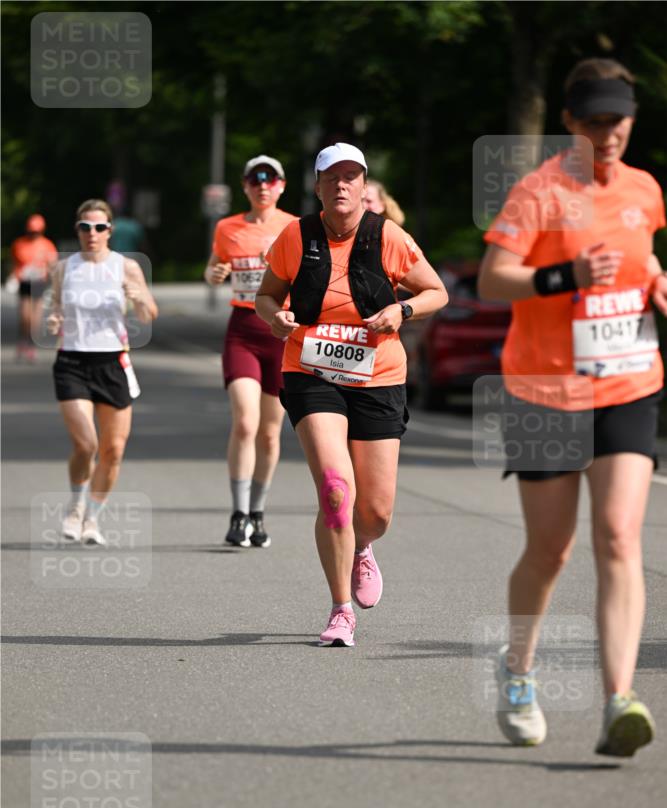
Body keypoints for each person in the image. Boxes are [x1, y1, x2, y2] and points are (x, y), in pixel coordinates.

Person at [478, 58, 667, 757]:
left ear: (631, 120)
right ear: (568, 122)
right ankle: (518, 671)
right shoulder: (539, 191)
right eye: (593, 122)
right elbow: (494, 279)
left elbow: (642, 256)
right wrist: (566, 275)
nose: (607, 134)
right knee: (550, 550)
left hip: (628, 382)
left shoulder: (644, 189)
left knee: (618, 537)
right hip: (545, 391)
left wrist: (655, 280)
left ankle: (619, 700)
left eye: (617, 121)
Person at [256, 142, 447, 646]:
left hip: (378, 377)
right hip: (311, 371)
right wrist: (275, 317)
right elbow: (266, 295)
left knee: (375, 512)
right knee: (336, 490)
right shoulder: (296, 236)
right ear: (317, 187)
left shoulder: (388, 236)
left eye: (350, 177)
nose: (341, 185)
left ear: (364, 186)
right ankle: (341, 610)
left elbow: (437, 292)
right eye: (331, 178)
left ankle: (363, 545)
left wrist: (401, 311)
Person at [47, 199, 158, 545]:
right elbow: (56, 306)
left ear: (110, 230)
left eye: (99, 227)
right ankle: (75, 507)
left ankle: (92, 519)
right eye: (85, 227)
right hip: (72, 362)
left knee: (113, 450)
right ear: (77, 230)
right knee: (86, 444)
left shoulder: (126, 267)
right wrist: (55, 318)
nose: (92, 233)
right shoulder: (63, 269)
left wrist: (139, 298)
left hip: (113, 362)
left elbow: (149, 314)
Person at [205, 155, 297, 548]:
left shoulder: (295, 227)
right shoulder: (228, 227)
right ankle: (238, 513)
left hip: (280, 333)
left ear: (281, 186)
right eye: (255, 180)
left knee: (270, 433)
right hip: (242, 329)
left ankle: (258, 513)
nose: (262, 186)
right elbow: (213, 268)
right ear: (245, 186)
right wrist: (214, 274)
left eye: (270, 180)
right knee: (245, 423)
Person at [10, 214, 58, 362]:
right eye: (31, 231)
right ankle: (22, 340)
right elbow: (15, 262)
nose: (33, 234)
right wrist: (14, 275)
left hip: (39, 282)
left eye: (36, 232)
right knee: (24, 315)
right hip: (25, 282)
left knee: (36, 316)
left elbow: (53, 264)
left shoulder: (47, 245)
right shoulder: (19, 244)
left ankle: (31, 344)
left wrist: (50, 278)